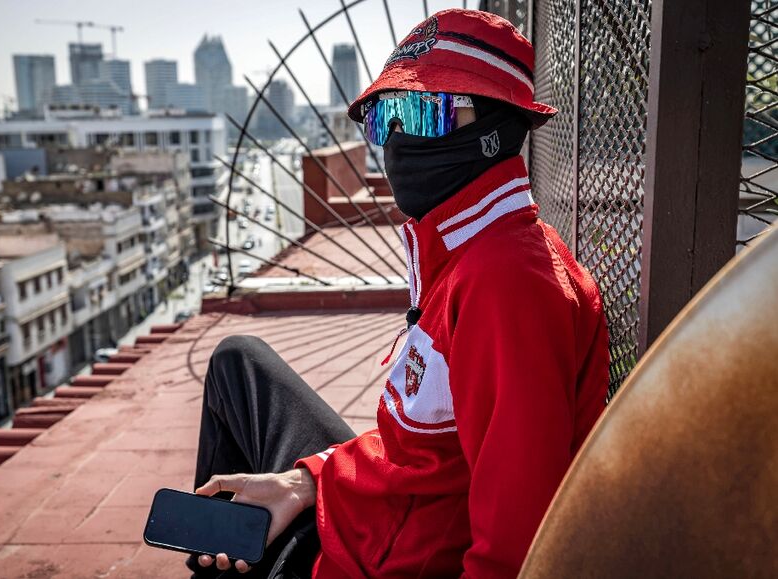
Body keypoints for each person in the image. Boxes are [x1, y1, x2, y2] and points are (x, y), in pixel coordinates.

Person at [186, 9, 609, 579]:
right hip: (377, 514)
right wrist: (305, 480)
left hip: (374, 562)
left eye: (427, 114)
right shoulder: (465, 248)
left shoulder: (508, 288)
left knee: (224, 554)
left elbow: (515, 551)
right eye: (387, 118)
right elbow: (416, 448)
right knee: (238, 362)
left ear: (497, 130)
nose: (401, 141)